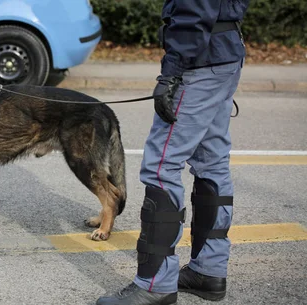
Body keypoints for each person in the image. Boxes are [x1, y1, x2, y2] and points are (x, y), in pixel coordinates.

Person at [96, 0, 250, 304]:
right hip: (224, 53)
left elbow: (194, 10)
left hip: (198, 62)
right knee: (212, 163)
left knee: (161, 167)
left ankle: (155, 284)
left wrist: (171, 74)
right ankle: (209, 271)